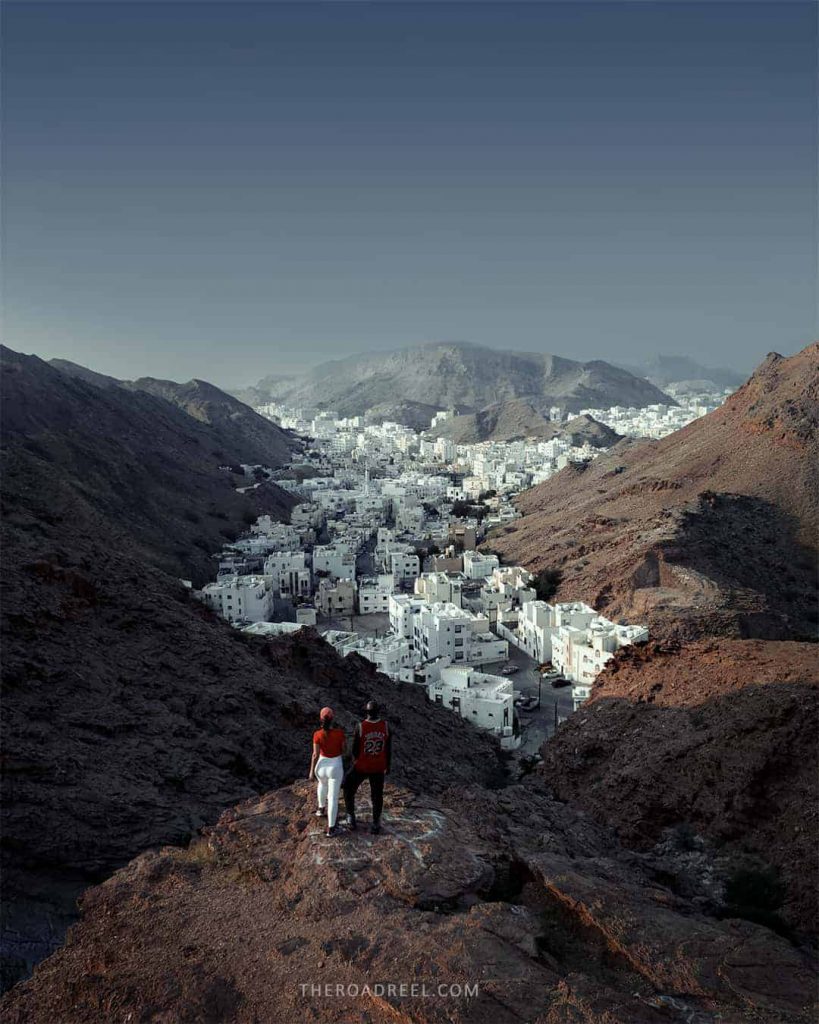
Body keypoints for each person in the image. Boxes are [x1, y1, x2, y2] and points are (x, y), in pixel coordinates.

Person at [344, 699, 391, 835]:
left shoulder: (361, 726)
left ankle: (350, 817)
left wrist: (357, 760)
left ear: (367, 712)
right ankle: (376, 823)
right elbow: (388, 749)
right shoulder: (386, 726)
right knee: (377, 796)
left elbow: (354, 750)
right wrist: (388, 766)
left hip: (362, 766)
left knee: (348, 786)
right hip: (378, 767)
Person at [308, 706, 347, 837]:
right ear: (332, 719)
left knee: (322, 785)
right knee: (333, 798)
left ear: (321, 718)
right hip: (335, 766)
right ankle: (331, 828)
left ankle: (320, 809)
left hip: (321, 765)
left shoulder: (317, 734)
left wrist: (311, 772)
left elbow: (315, 754)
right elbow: (344, 750)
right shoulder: (339, 733)